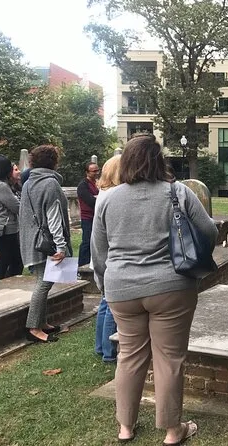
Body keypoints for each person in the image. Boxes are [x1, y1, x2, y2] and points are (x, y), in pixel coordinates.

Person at [91, 134, 217, 444]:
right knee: (169, 358)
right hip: (172, 286)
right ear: (158, 161)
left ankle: (125, 426)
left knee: (129, 356)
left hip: (121, 288)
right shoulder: (178, 191)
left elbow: (98, 250)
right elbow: (209, 231)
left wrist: (104, 283)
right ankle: (173, 430)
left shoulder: (107, 198)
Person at [19, 145, 72, 343]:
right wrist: (61, 246)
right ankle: (33, 328)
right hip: (47, 242)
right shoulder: (50, 183)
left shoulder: (28, 183)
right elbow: (54, 216)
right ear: (54, 162)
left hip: (31, 239)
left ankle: (42, 322)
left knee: (43, 280)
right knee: (44, 283)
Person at [93, 155, 121, 363]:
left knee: (105, 304)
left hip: (103, 254)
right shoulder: (113, 195)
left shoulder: (103, 193)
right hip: (110, 255)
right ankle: (109, 352)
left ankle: (100, 346)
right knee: (112, 307)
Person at [77, 161, 99, 268]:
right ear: (87, 172)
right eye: (93, 171)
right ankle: (82, 265)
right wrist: (98, 197)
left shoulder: (98, 183)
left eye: (97, 170)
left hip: (97, 217)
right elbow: (90, 201)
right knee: (87, 241)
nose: (96, 173)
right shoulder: (83, 185)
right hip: (87, 218)